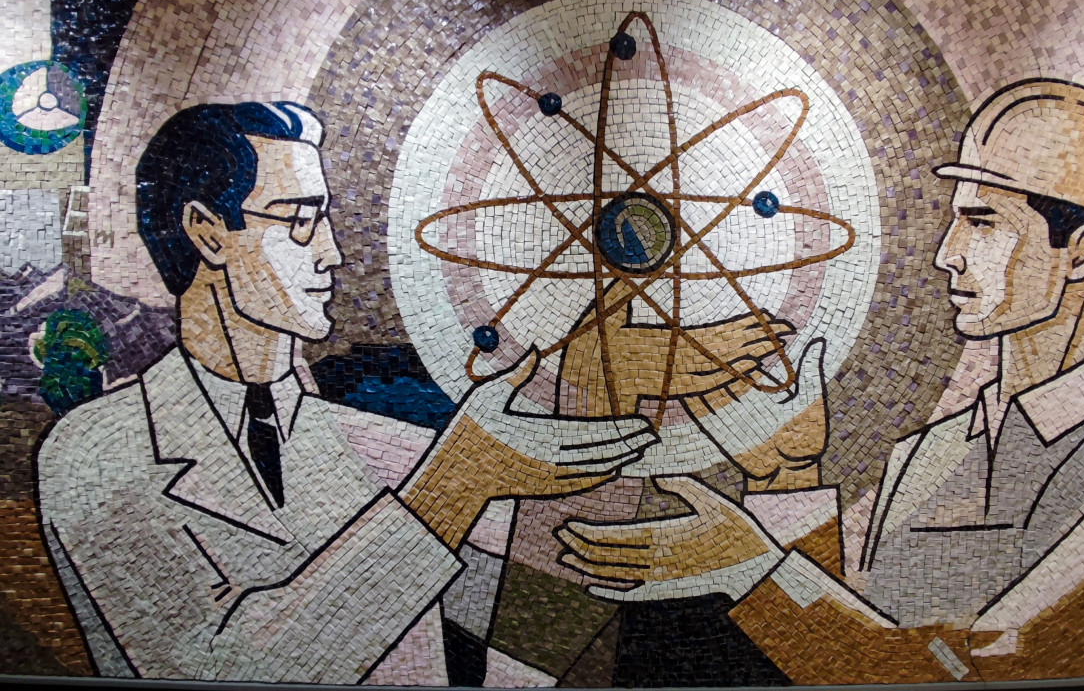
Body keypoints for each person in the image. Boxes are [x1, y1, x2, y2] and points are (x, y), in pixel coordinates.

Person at [557, 79, 1084, 682]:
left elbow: (978, 669)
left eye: (983, 223)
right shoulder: (928, 454)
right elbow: (853, 650)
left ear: (1080, 250)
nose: (947, 254)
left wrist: (753, 569)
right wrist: (787, 472)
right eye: (956, 220)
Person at [35, 101, 658, 683]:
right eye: (300, 220)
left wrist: (681, 542)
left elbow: (549, 546)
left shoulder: (359, 440)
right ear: (208, 232)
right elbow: (223, 668)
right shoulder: (96, 452)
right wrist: (456, 483)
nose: (331, 253)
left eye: (325, 218)